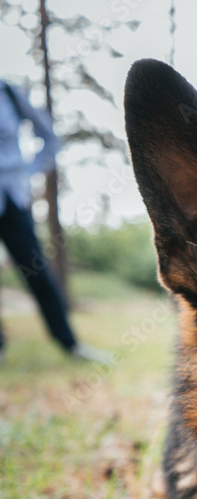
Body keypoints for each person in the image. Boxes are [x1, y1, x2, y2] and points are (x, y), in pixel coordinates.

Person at [0, 79, 103, 363]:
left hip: (13, 198)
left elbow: (49, 136)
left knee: (37, 271)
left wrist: (26, 171)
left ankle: (70, 343)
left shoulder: (8, 92)